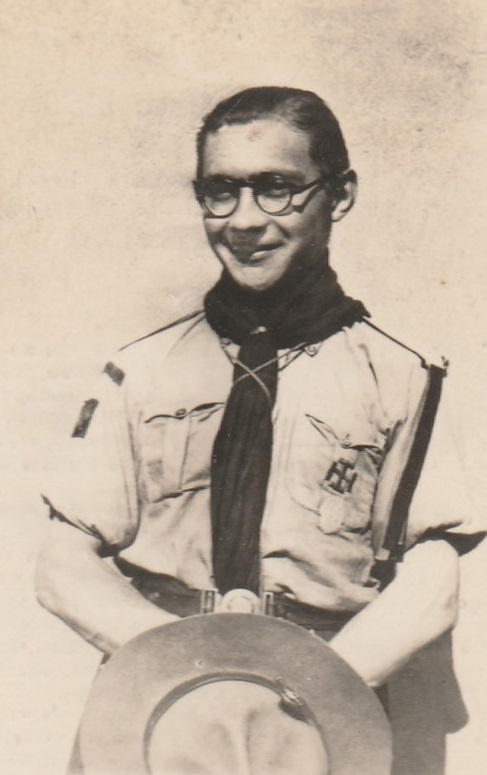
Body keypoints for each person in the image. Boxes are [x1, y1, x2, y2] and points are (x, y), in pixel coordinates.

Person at [37, 86, 480, 724]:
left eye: (277, 188)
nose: (244, 220)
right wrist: (190, 668)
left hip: (318, 703)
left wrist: (306, 689)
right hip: (159, 699)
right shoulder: (139, 370)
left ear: (340, 195)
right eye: (221, 190)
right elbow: (62, 563)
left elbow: (432, 581)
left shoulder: (404, 376)